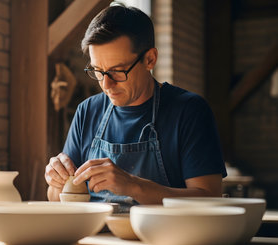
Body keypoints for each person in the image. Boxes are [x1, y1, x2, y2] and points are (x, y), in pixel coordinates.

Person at [44, 4, 226, 211]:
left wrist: (133, 185)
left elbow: (210, 199)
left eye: (118, 71)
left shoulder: (189, 111)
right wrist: (55, 182)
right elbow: (57, 199)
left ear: (150, 59)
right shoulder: (87, 111)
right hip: (98, 239)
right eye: (97, 71)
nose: (106, 84)